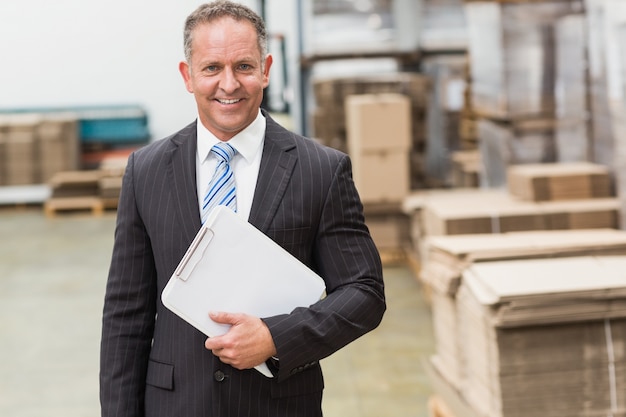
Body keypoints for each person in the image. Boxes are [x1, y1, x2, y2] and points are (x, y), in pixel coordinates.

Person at [99, 1, 386, 416]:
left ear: (266, 69)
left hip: (278, 404)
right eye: (212, 67)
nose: (229, 84)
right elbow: (126, 314)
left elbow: (365, 293)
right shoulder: (146, 171)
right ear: (188, 75)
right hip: (176, 404)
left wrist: (276, 337)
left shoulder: (320, 170)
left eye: (244, 67)